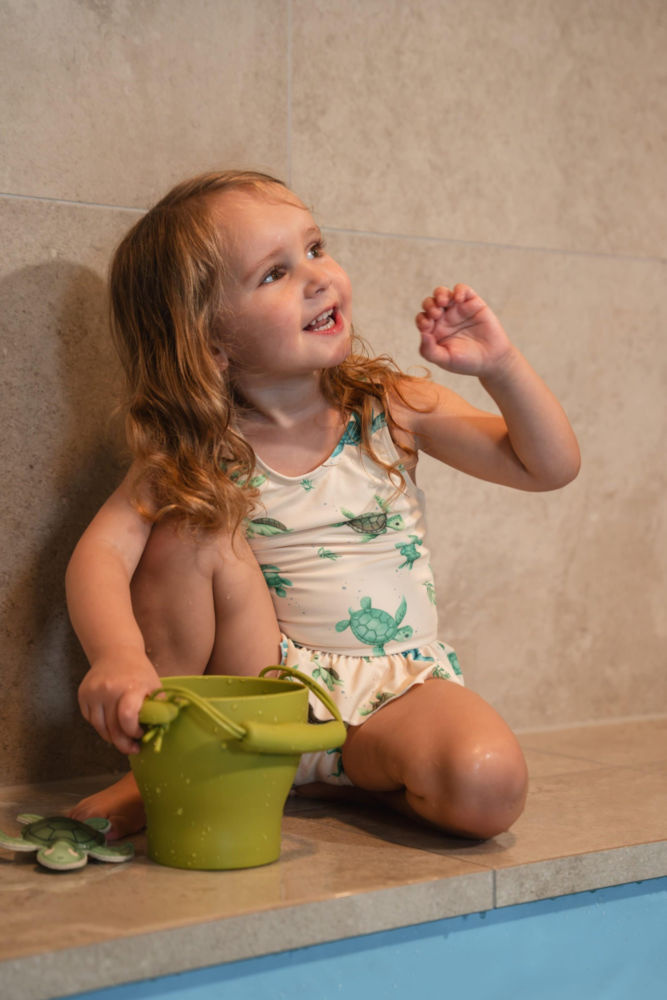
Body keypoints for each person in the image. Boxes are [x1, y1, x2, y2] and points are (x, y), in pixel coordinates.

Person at [66, 170, 580, 841]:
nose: (317, 277)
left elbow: (546, 467)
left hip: (392, 695)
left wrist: (500, 367)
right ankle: (169, 763)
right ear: (211, 343)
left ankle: (340, 776)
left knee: (488, 784)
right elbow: (102, 553)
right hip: (257, 691)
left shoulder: (391, 406)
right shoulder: (197, 451)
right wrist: (117, 656)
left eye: (314, 248)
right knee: (192, 526)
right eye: (274, 273)